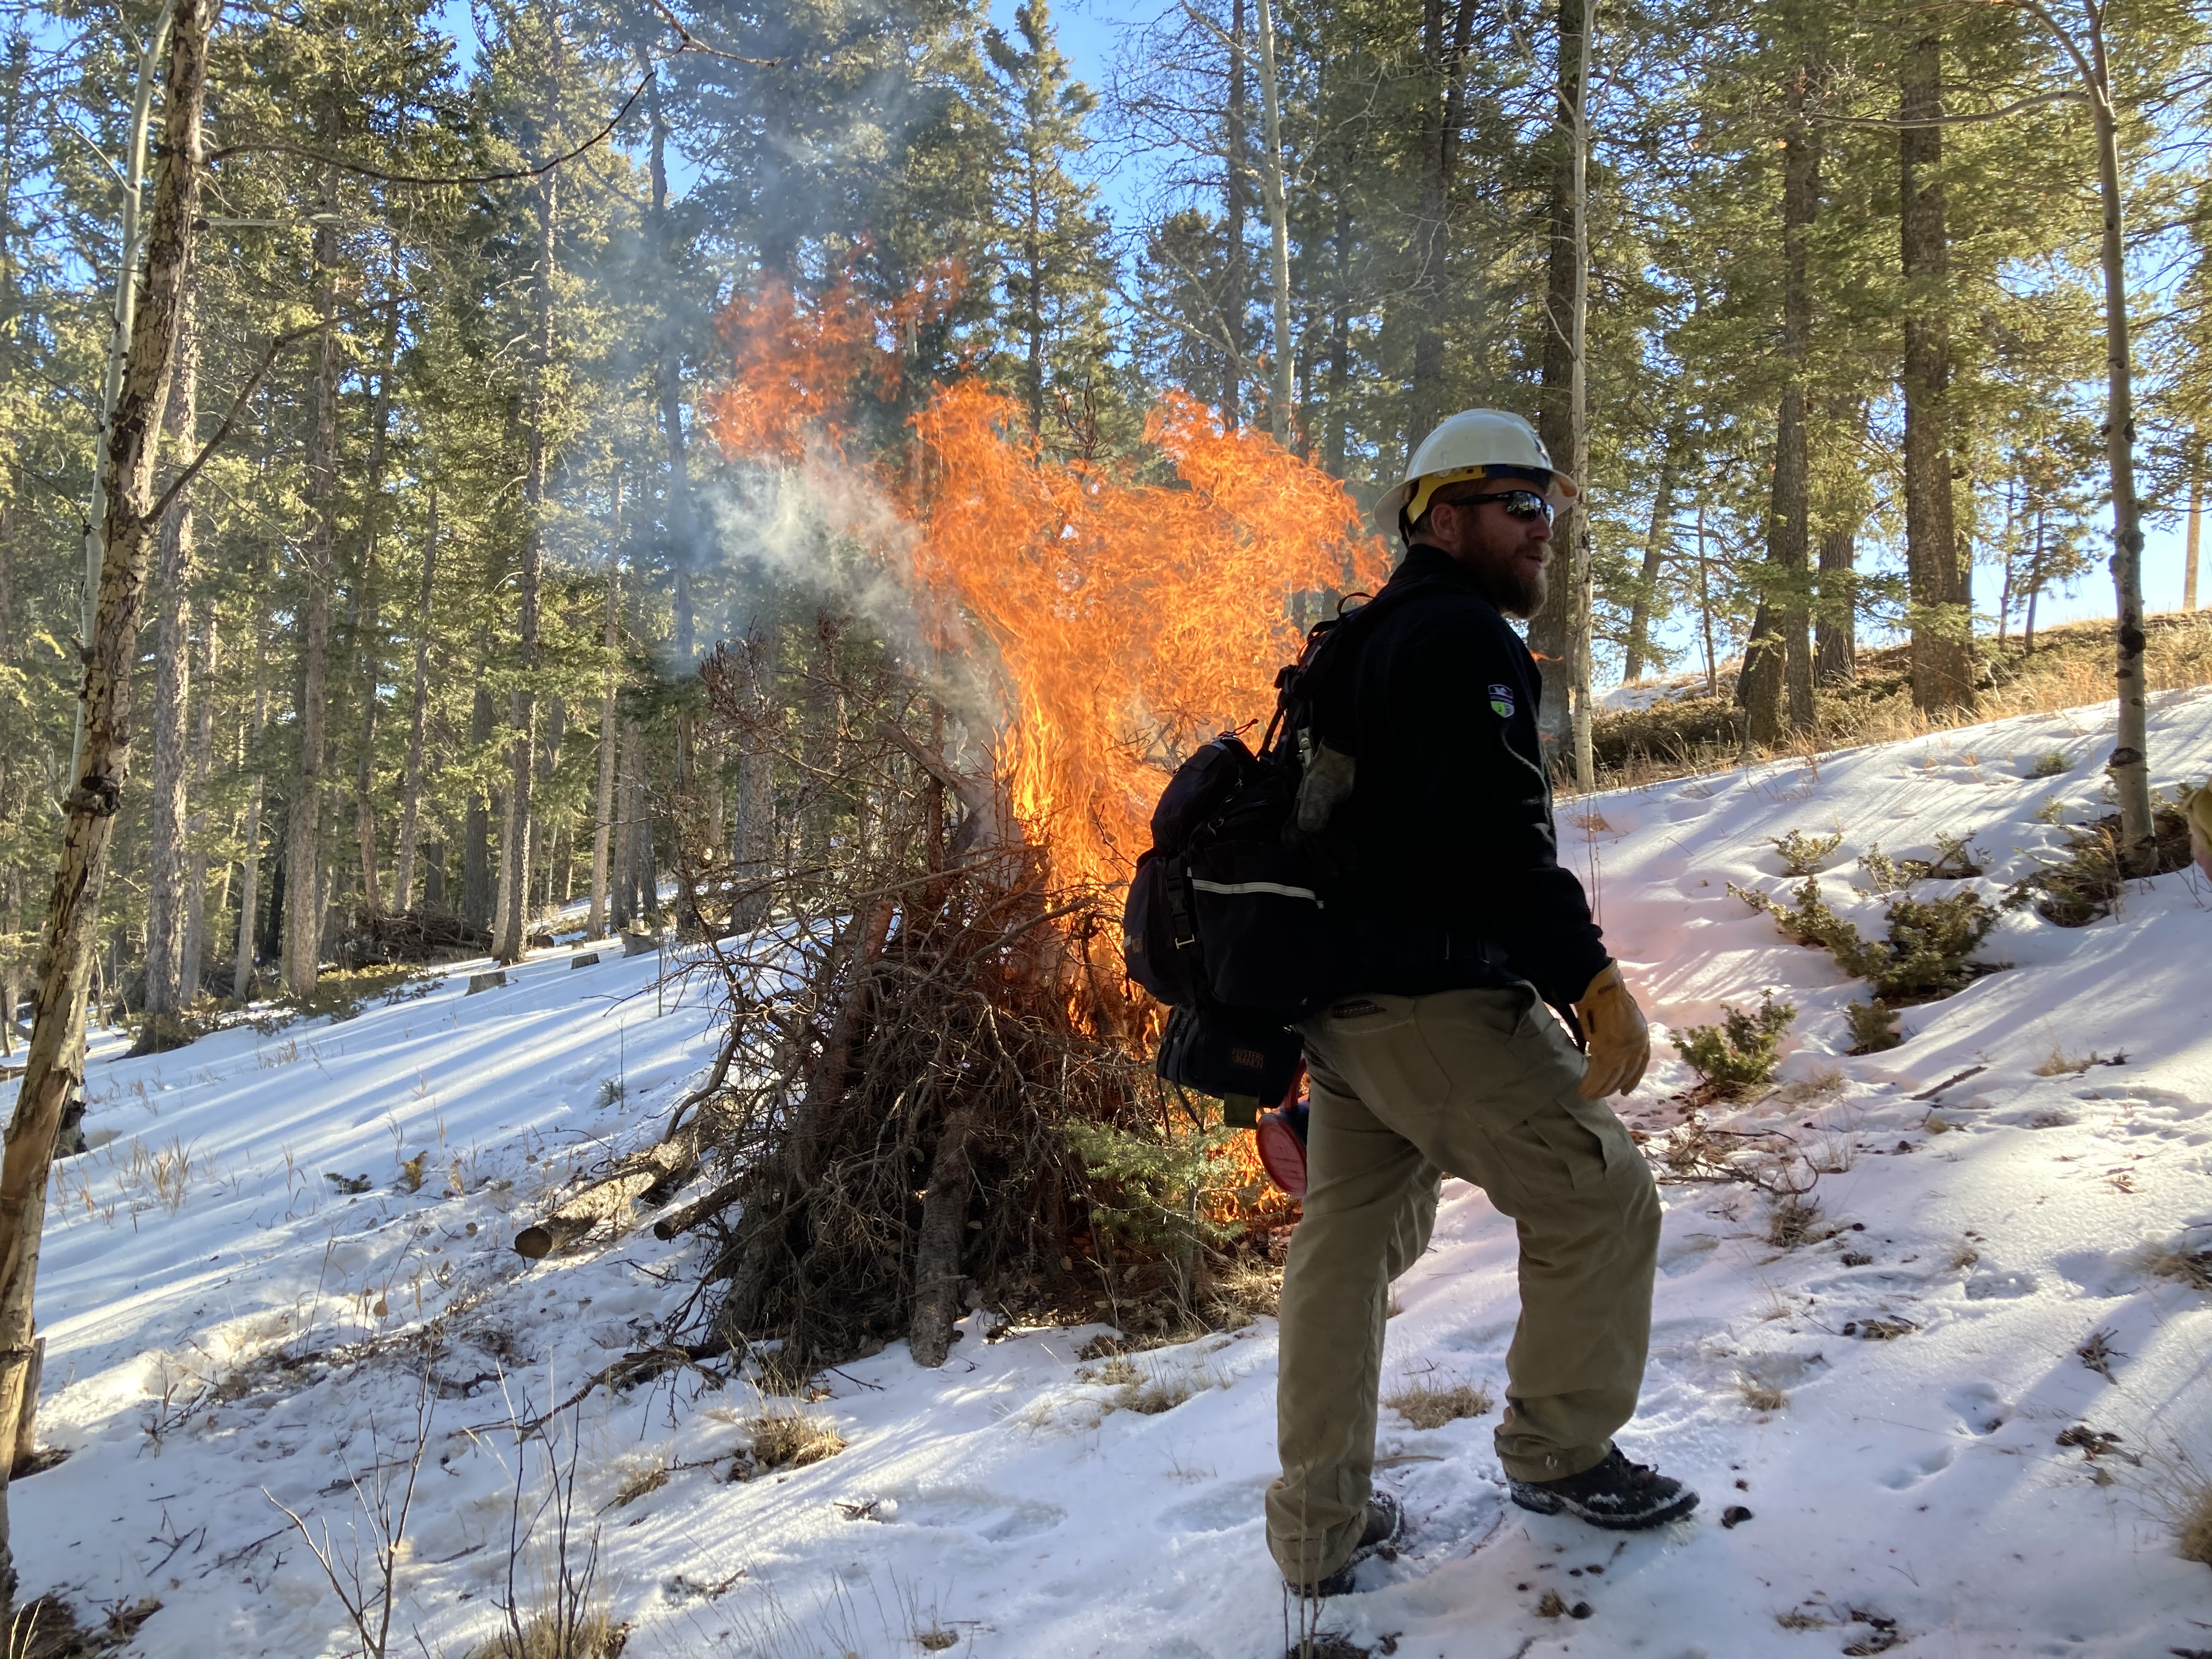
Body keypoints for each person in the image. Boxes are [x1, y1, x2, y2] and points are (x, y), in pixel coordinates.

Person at [1266, 408, 1694, 1599]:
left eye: (1549, 506)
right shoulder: (1461, 637)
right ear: (1441, 518)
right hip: (1435, 1003)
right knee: (1601, 1197)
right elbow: (1495, 840)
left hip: (1343, 1011)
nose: (1543, 528)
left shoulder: (1358, 638)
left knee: (1347, 1253)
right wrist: (1588, 978)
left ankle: (1318, 1530)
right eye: (1520, 504)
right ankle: (1561, 1454)